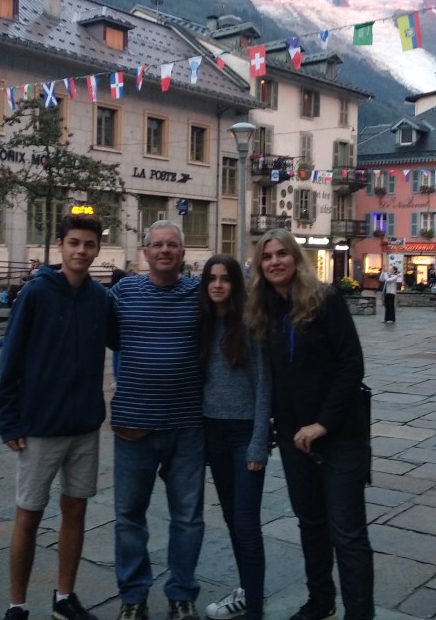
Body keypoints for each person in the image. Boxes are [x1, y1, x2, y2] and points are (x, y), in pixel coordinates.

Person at [245, 229, 374, 620]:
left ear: (296, 258)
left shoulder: (325, 299)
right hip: (293, 436)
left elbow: (351, 365)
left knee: (347, 531)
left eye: (282, 254)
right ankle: (321, 601)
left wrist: (322, 424)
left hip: (341, 433)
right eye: (267, 256)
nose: (275, 262)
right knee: (311, 524)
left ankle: (359, 614)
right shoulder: (263, 308)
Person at [0, 214, 113, 620]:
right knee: (29, 513)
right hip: (40, 425)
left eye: (89, 244)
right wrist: (8, 419)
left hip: (84, 426)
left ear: (97, 249)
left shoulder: (100, 298)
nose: (82, 251)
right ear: (60, 244)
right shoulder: (36, 293)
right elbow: (10, 357)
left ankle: (64, 596)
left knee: (76, 511)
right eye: (74, 243)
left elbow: (124, 337)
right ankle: (17, 603)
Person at [108, 220, 204, 620]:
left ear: (182, 253)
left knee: (188, 518)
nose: (165, 250)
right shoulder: (123, 293)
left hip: (187, 425)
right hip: (133, 425)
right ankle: (133, 596)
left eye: (172, 245)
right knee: (129, 518)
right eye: (157, 244)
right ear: (145, 251)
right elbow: (95, 332)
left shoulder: (200, 293)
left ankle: (181, 593)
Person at [198, 256, 270, 620]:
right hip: (213, 433)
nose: (217, 285)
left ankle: (254, 608)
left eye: (225, 279)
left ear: (235, 284)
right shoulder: (202, 323)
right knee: (231, 519)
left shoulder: (249, 323)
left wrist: (259, 441)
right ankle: (246, 591)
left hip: (244, 434)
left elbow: (264, 385)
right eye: (212, 279)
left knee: (246, 524)